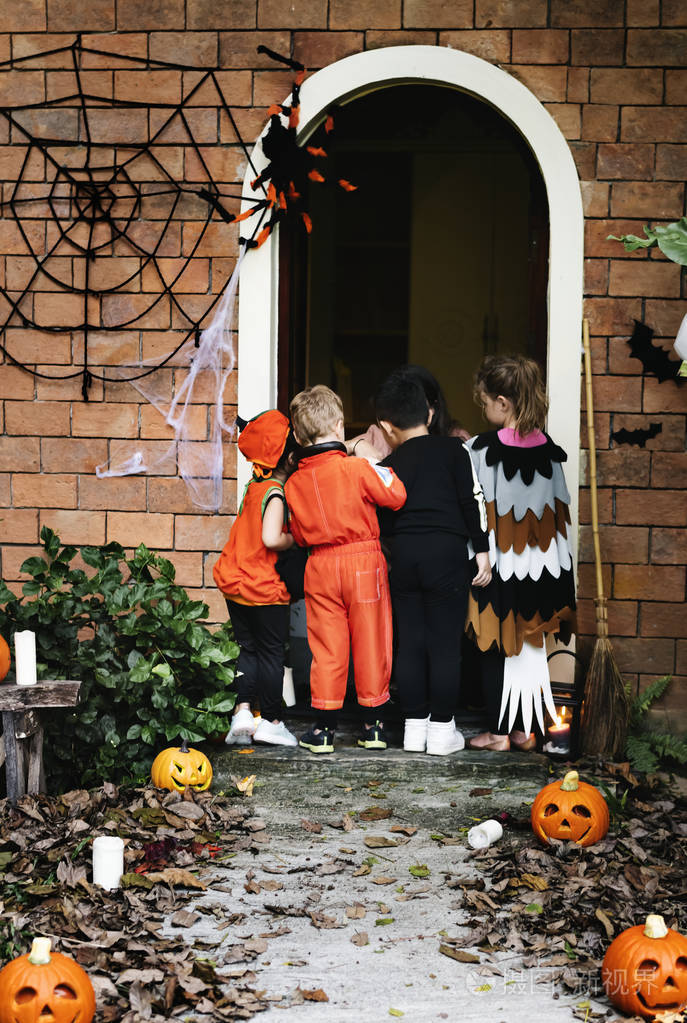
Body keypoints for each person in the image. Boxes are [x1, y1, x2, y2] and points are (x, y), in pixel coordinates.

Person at [370, 370, 491, 755]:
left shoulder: (389, 463)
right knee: (444, 645)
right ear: (429, 411)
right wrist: (482, 551)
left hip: (405, 556)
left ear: (386, 427)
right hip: (447, 557)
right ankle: (441, 731)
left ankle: (413, 728)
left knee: (411, 643)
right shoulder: (456, 451)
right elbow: (472, 500)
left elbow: (383, 517)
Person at [284, 384, 407, 754]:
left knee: (327, 647)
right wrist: (369, 456)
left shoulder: (293, 483)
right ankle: (374, 726)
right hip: (362, 560)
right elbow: (396, 494)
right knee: (372, 640)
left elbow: (295, 531)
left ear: (298, 436)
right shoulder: (356, 468)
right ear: (339, 427)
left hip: (318, 564)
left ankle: (323, 731)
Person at [465, 354, 577, 752]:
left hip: (496, 567)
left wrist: (474, 556)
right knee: (530, 645)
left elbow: (474, 508)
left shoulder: (480, 450)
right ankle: (523, 731)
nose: (483, 409)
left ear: (502, 403)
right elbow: (560, 514)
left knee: (494, 644)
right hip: (543, 569)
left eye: (484, 402)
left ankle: (498, 733)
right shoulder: (551, 453)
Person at [213, 410, 298, 747]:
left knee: (248, 650)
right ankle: (273, 721)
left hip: (237, 584)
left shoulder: (254, 485)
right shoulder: (275, 492)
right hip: (264, 587)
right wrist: (295, 539)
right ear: (289, 458)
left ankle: (243, 712)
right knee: (271, 654)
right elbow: (270, 538)